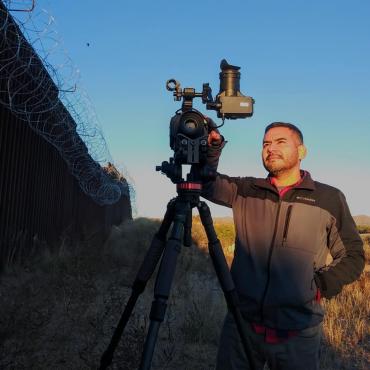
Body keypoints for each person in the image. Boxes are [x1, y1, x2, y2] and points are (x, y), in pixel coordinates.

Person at [203, 121, 365, 370]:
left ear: (302, 152)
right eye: (266, 143)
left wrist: (318, 286)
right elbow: (205, 182)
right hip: (241, 326)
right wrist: (212, 149)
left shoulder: (328, 198)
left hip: (298, 333)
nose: (271, 148)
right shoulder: (246, 190)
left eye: (280, 142)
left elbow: (353, 256)